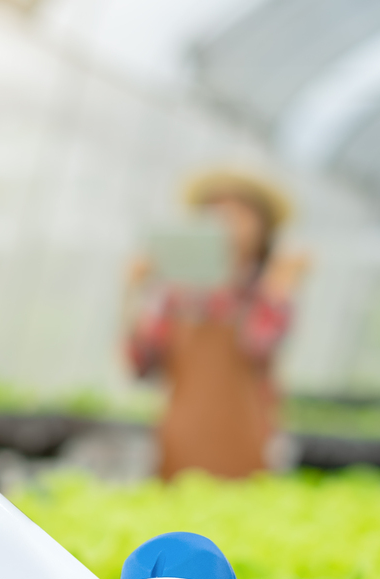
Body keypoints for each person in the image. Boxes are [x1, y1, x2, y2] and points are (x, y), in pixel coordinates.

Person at [125, 170, 308, 480]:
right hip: (180, 436)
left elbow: (260, 345)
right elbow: (141, 364)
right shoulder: (176, 295)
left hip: (248, 438)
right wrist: (132, 293)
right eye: (217, 213)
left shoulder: (264, 292)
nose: (228, 224)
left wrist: (279, 290)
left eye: (241, 214)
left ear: (264, 229)